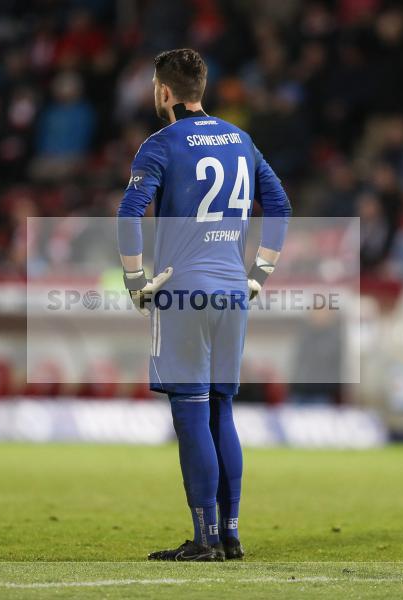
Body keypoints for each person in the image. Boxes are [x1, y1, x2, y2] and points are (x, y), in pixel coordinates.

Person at [116, 49, 291, 561]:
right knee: (222, 409)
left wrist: (134, 280)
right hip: (233, 290)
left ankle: (205, 538)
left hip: (182, 291)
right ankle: (231, 534)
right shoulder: (241, 139)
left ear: (164, 92)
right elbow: (279, 204)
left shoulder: (159, 144)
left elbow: (129, 213)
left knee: (190, 413)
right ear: (201, 88)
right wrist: (258, 273)